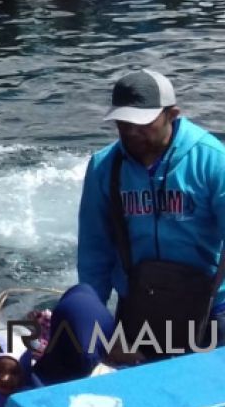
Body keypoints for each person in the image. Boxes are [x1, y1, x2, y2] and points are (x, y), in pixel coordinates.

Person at [74, 69, 225, 364]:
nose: (131, 131)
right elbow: (94, 251)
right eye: (123, 121)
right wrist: (98, 321)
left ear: (172, 114)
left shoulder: (212, 160)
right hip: (139, 306)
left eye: (142, 123)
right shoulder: (105, 168)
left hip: (211, 307)